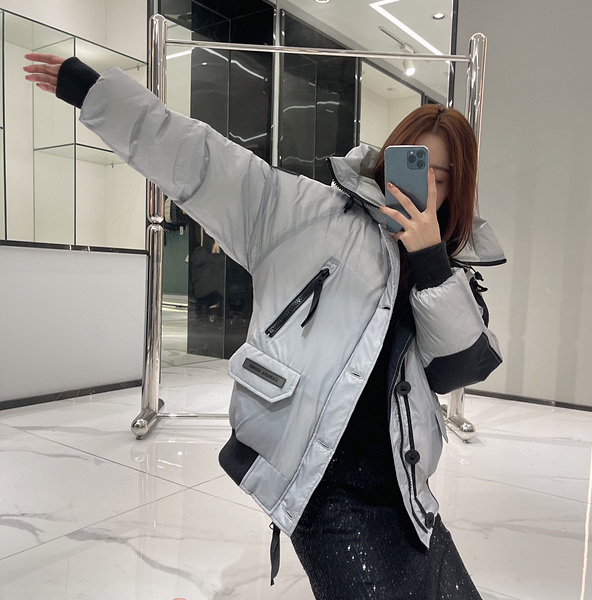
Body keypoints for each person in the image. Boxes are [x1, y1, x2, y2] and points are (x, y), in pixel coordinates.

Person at [24, 53, 504, 599]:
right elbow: (203, 160)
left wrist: (432, 262)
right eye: (414, 165)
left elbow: (456, 369)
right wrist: (95, 92)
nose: (425, 187)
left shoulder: (453, 271)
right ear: (389, 161)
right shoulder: (308, 214)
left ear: (460, 185)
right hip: (320, 480)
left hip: (403, 486)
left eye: (441, 176)